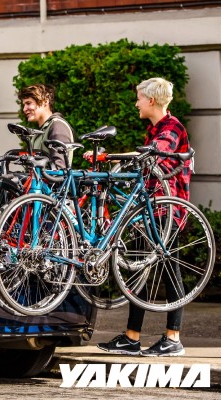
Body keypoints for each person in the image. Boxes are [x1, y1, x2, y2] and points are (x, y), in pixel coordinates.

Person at [95, 77, 191, 357]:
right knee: (140, 272)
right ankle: (131, 337)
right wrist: (112, 160)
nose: (135, 103)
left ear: (151, 100)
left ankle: (173, 338)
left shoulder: (172, 129)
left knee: (169, 271)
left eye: (138, 98)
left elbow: (152, 156)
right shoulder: (154, 130)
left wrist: (111, 156)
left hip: (167, 211)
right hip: (146, 210)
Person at [18, 84, 76, 169]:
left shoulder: (57, 126)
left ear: (45, 101)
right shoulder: (40, 131)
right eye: (24, 105)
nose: (24, 109)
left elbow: (59, 169)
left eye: (28, 103)